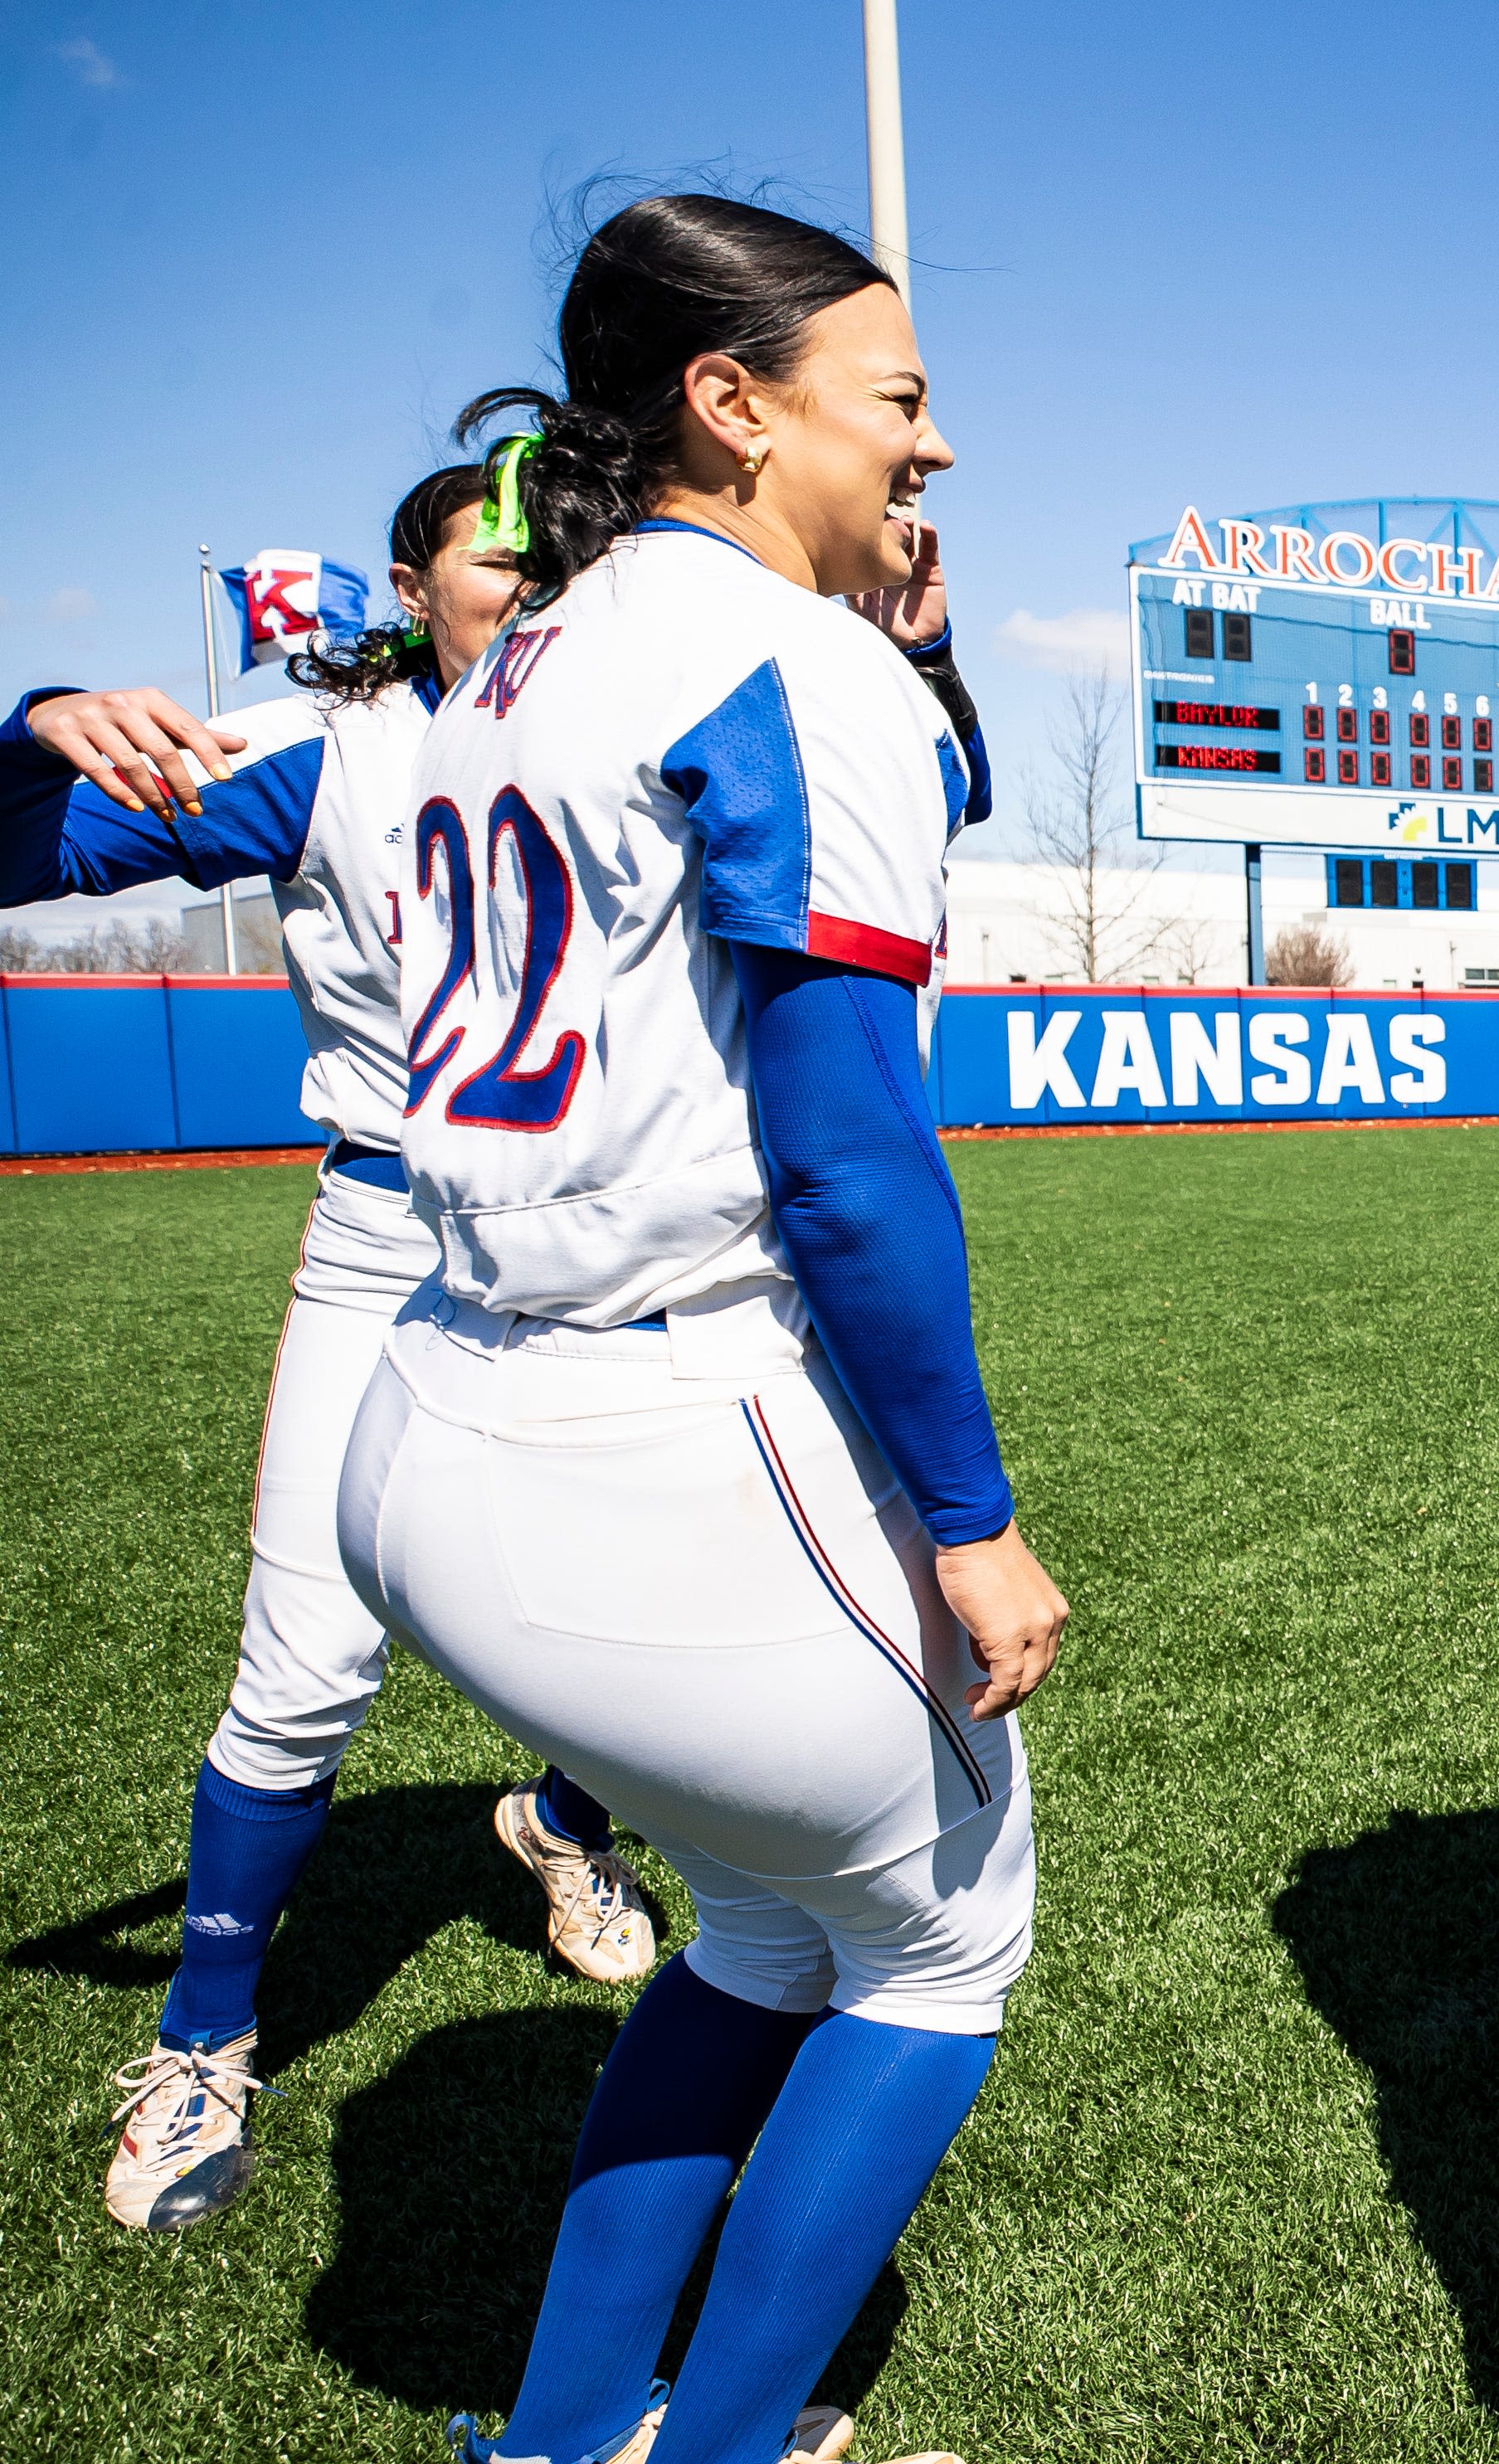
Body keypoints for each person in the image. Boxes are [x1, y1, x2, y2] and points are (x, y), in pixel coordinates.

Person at [336, 192, 1053, 2464]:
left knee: (759, 1937)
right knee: (941, 1951)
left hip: (431, 1403)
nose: (932, 450)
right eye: (899, 401)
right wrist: (970, 1517)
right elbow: (844, 1158)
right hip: (659, 1439)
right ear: (733, 405)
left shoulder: (513, 656)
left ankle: (561, 2442)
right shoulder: (787, 664)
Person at [1, 469, 676, 2235]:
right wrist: (30, 730)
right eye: (494, 557)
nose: (532, 588)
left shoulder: (646, 722)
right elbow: (16, 862)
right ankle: (206, 2039)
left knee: (627, 1604)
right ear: (409, 583)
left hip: (598, 1230)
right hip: (394, 1228)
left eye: (562, 564)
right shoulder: (328, 747)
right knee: (305, 1659)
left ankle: (561, 1822)